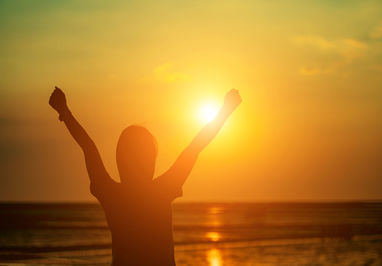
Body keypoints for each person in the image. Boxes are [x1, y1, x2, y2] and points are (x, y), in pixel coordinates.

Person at [49, 87, 242, 265]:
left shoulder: (112, 194)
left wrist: (65, 112)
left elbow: (88, 147)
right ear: (151, 160)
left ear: (119, 159)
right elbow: (194, 148)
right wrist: (225, 111)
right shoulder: (162, 189)